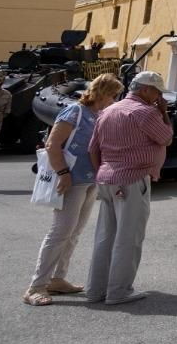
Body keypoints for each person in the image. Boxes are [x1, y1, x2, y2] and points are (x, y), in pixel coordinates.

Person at [23, 74, 124, 306]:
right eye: (112, 94)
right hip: (72, 180)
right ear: (102, 92)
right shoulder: (74, 112)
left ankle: (57, 278)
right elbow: (52, 144)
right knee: (60, 232)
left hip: (89, 181)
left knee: (74, 232)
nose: (114, 99)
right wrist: (63, 174)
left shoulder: (98, 114)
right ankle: (36, 286)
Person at [85, 71, 173, 305]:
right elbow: (166, 138)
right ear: (145, 90)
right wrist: (164, 113)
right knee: (128, 237)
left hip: (107, 178)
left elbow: (93, 149)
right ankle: (119, 291)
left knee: (105, 236)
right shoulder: (146, 112)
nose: (158, 97)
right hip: (132, 179)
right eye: (157, 91)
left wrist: (101, 173)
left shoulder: (108, 111)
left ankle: (96, 290)